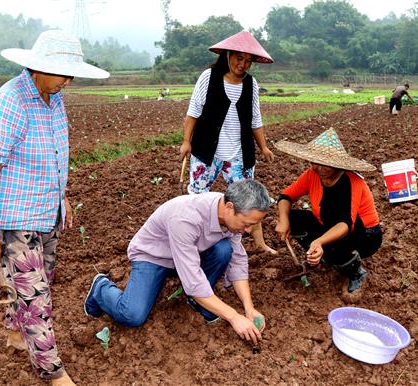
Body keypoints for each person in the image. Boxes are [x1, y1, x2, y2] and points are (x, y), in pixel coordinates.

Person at [0, 30, 109, 386]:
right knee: (36, 298)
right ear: (36, 67)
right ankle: (54, 375)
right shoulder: (10, 103)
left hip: (44, 211)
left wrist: (60, 196)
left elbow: (51, 152)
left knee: (40, 281)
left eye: (70, 73)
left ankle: (16, 334)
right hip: (13, 216)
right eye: (61, 72)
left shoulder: (52, 96)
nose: (68, 80)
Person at [84, 180, 273, 346]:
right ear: (229, 207)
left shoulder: (228, 213)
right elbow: (193, 281)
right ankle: (101, 287)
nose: (249, 230)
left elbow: (238, 261)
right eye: (246, 223)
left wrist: (249, 308)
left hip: (189, 254)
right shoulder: (186, 219)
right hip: (153, 256)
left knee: (225, 250)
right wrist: (234, 317)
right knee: (132, 315)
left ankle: (200, 301)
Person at [178, 30, 277, 255]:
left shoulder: (251, 84)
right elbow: (193, 111)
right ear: (228, 54)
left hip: (238, 154)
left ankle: (260, 244)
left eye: (248, 61)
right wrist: (186, 142)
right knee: (197, 196)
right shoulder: (208, 77)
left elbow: (255, 119)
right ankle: (194, 241)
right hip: (207, 151)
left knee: (249, 198)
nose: (243, 65)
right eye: (239, 58)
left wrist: (263, 146)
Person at [274, 128, 383, 297]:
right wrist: (283, 220)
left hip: (363, 235)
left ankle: (356, 272)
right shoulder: (312, 174)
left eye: (324, 164)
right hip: (330, 224)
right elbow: (286, 196)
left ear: (337, 163)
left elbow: (346, 224)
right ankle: (323, 254)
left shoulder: (350, 182)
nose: (318, 168)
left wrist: (319, 241)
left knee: (332, 245)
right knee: (293, 217)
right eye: (313, 162)